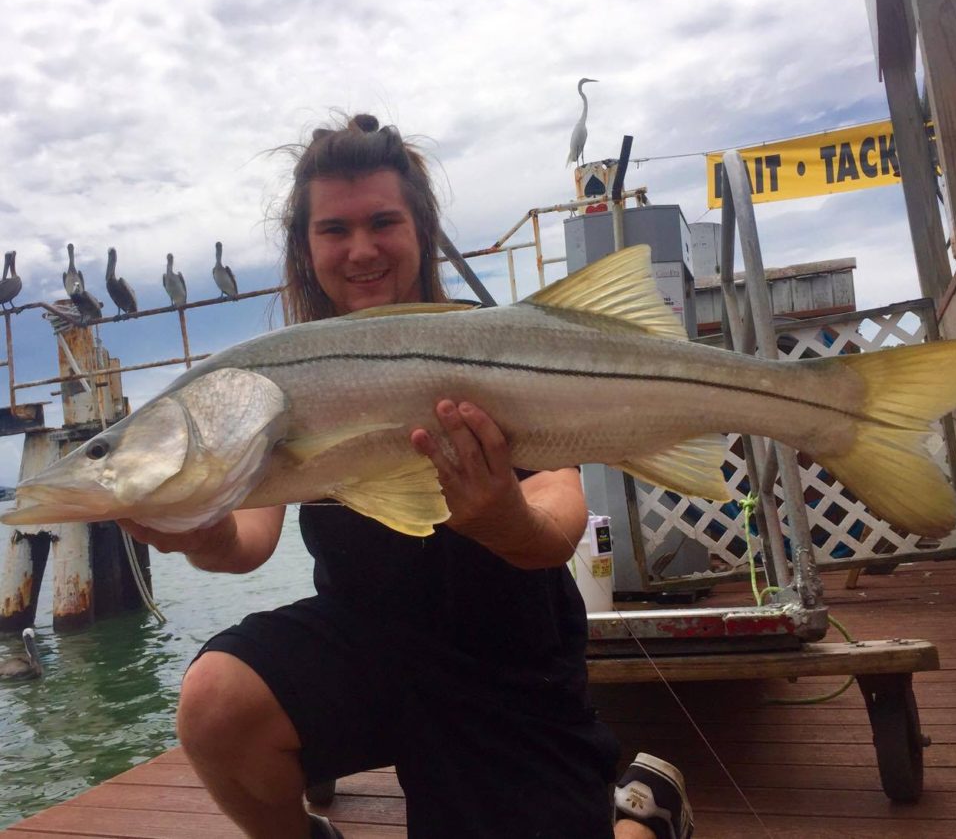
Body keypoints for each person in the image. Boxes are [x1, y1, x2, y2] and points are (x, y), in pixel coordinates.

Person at [120, 114, 693, 839]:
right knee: (215, 698)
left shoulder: (495, 345)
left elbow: (557, 522)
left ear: (420, 228)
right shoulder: (268, 382)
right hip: (368, 644)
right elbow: (246, 543)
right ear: (305, 247)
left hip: (507, 662)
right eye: (333, 230)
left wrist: (504, 522)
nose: (360, 249)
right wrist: (199, 530)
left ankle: (647, 814)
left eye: (382, 221)